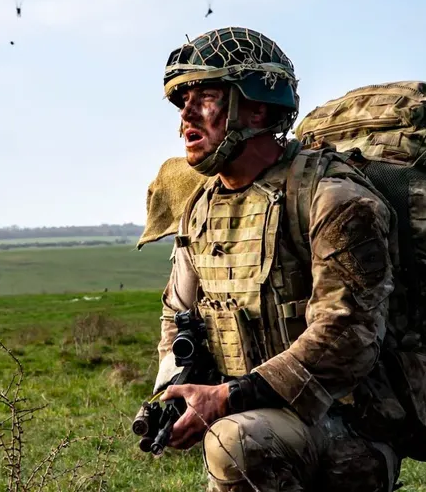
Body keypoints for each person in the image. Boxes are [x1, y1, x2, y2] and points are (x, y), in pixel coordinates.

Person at [150, 27, 404, 491]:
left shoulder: (333, 199)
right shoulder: (200, 209)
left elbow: (347, 336)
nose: (186, 114)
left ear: (258, 108)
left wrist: (227, 397)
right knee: (235, 437)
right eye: (183, 100)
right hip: (254, 413)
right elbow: (176, 313)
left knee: (234, 442)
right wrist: (176, 388)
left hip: (344, 423)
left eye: (206, 97)